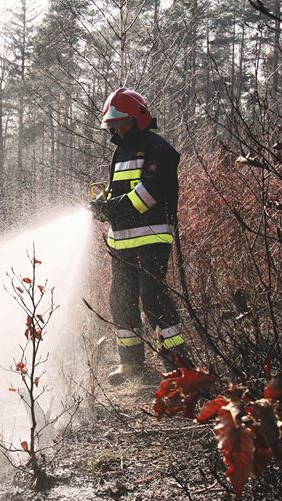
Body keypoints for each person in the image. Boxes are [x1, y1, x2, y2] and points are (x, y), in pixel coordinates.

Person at [89, 88, 187, 384]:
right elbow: (121, 190)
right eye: (113, 125)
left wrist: (114, 208)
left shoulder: (158, 149)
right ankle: (130, 364)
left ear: (139, 118)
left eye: (121, 123)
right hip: (122, 241)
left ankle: (177, 363)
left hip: (152, 236)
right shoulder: (120, 152)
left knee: (152, 295)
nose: (116, 129)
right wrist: (103, 204)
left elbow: (150, 192)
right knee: (121, 299)